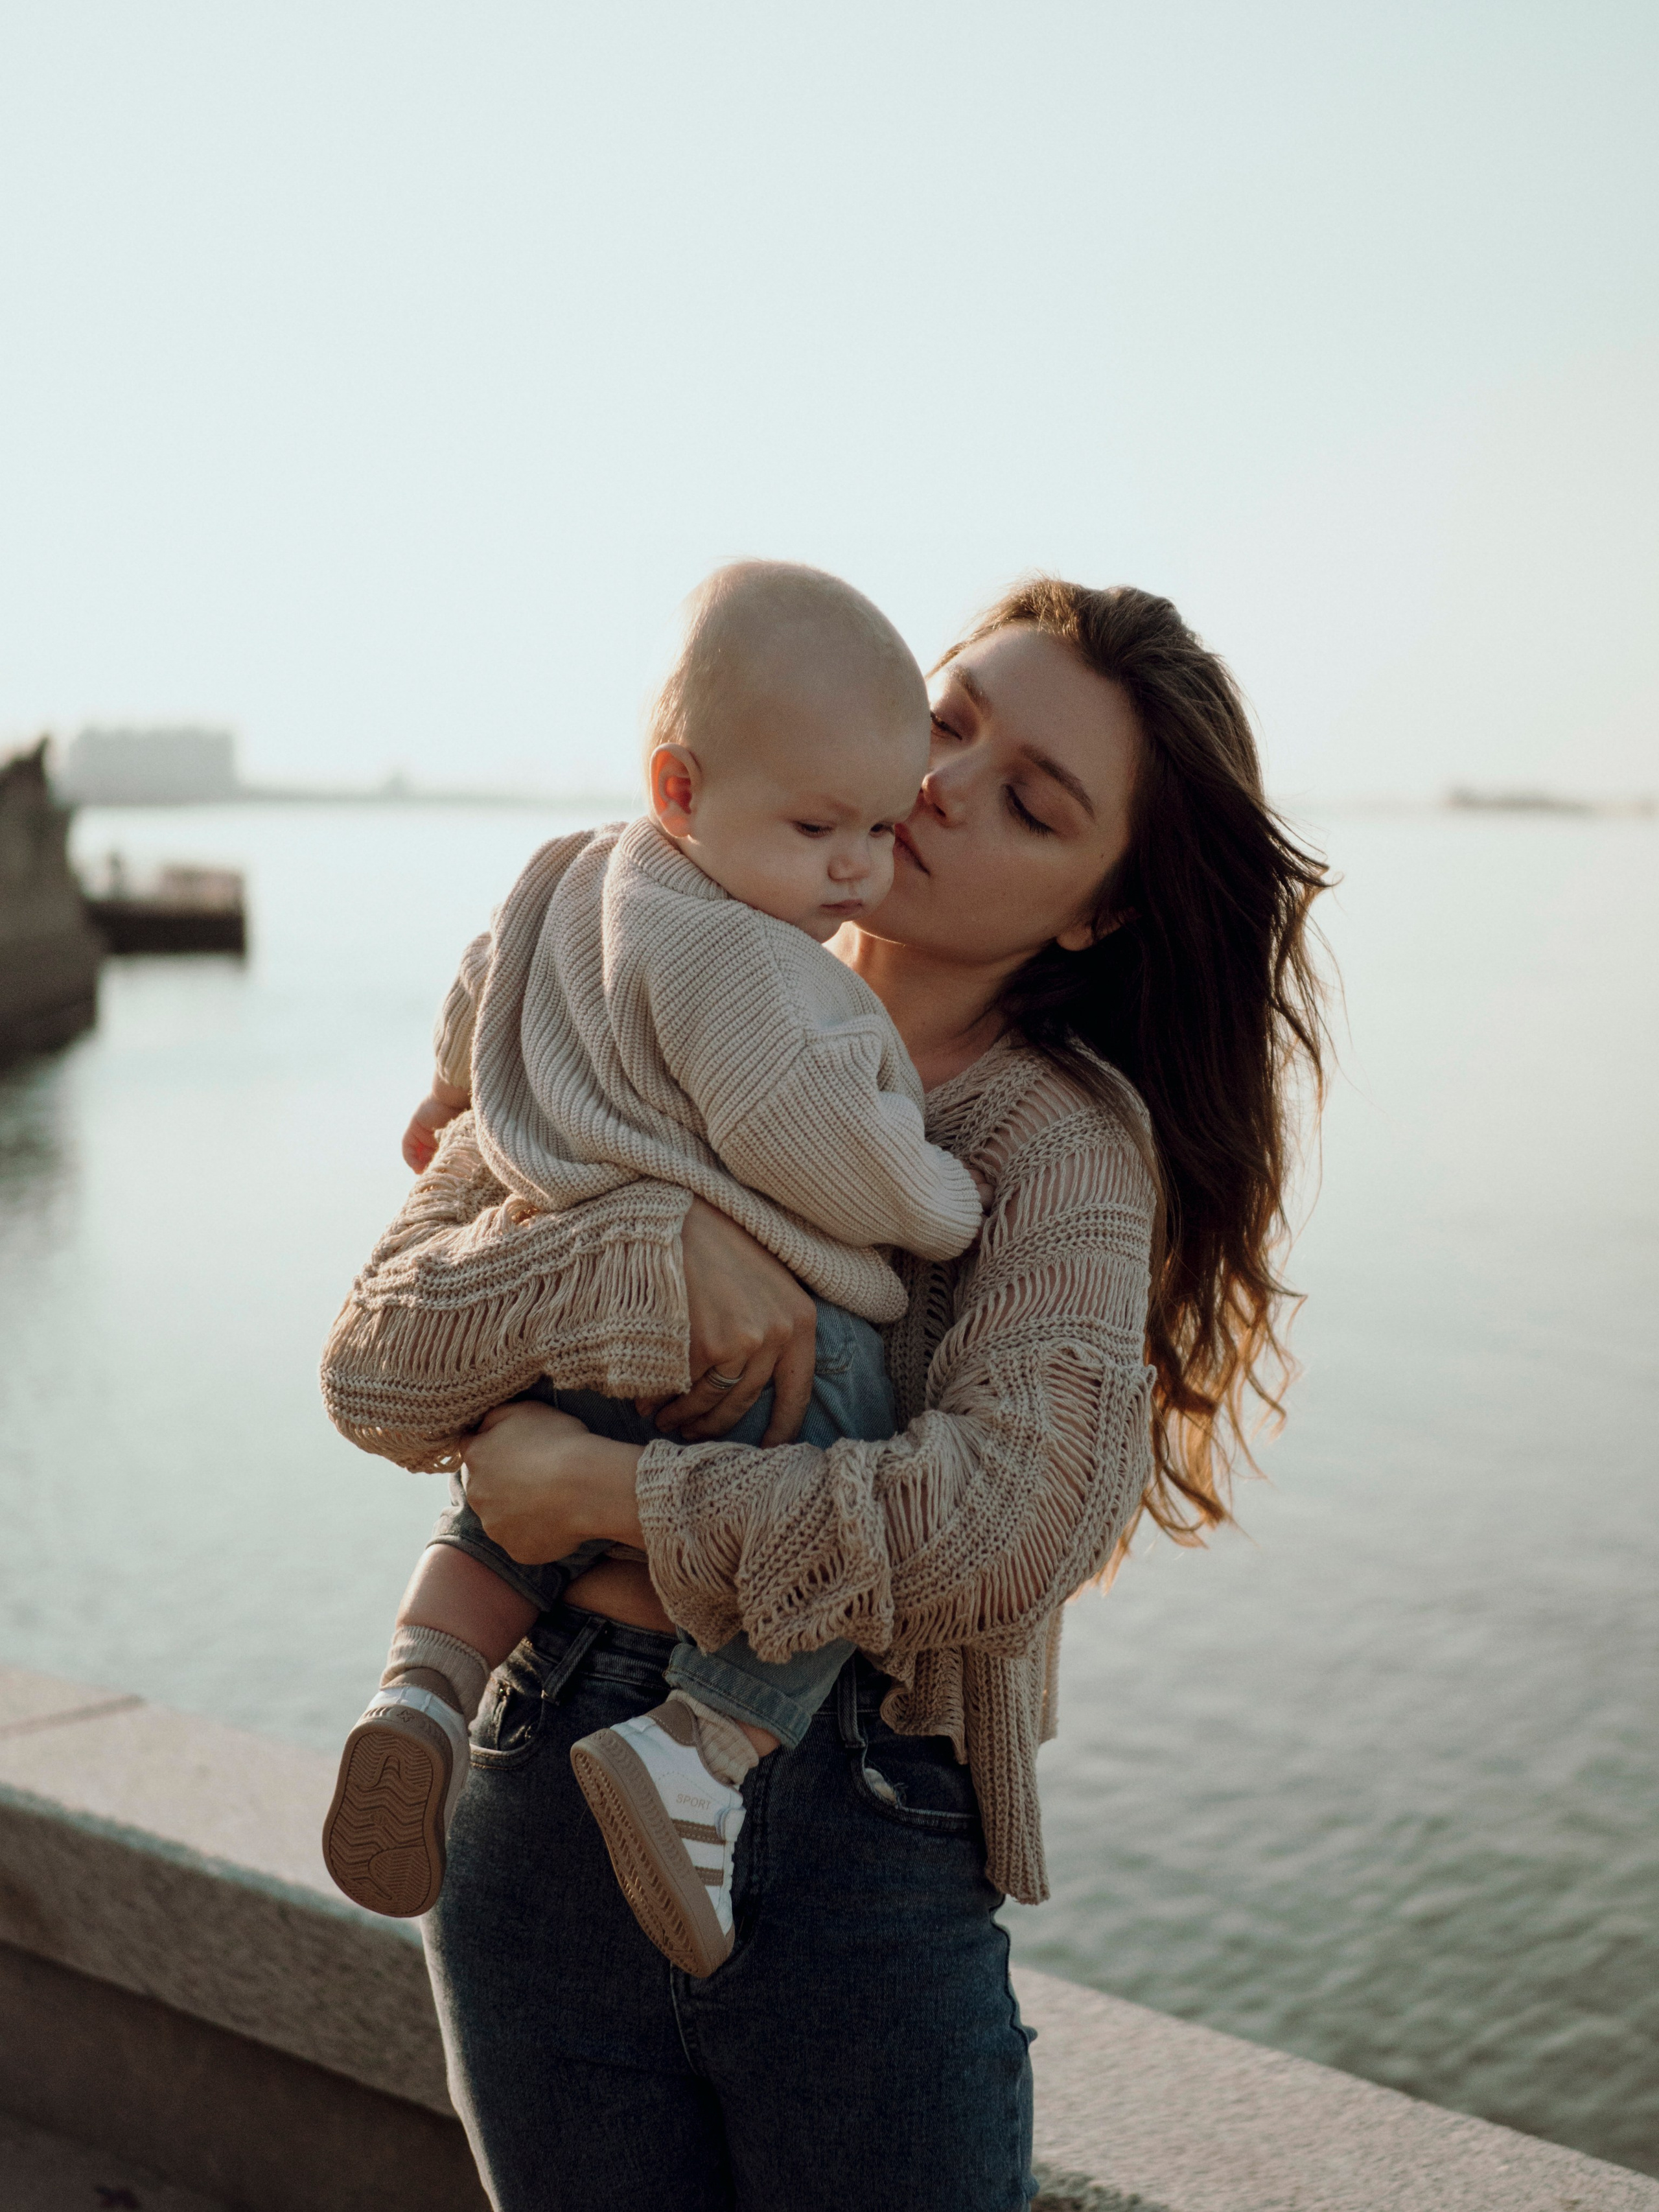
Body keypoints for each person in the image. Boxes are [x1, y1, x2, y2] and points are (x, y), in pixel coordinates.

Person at [323, 576, 1330, 2212]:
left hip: (859, 1845)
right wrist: (650, 1254)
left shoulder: (1057, 1147)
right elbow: (376, 1365)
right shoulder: (605, 967)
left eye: (1029, 801)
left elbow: (1005, 1526)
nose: (941, 787)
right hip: (527, 1787)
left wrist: (605, 1496)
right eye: (950, 721)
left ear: (1090, 911)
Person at [321, 561, 988, 1975]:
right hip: (743, 1363)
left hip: (561, 1342)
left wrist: (450, 1095)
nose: (858, 870)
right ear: (680, 790)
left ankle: (420, 1692)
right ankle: (705, 1743)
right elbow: (817, 1150)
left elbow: (477, 986)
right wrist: (939, 1199)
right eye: (818, 829)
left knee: (505, 1503)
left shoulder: (564, 871)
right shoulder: (753, 971)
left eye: (878, 826)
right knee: (857, 1421)